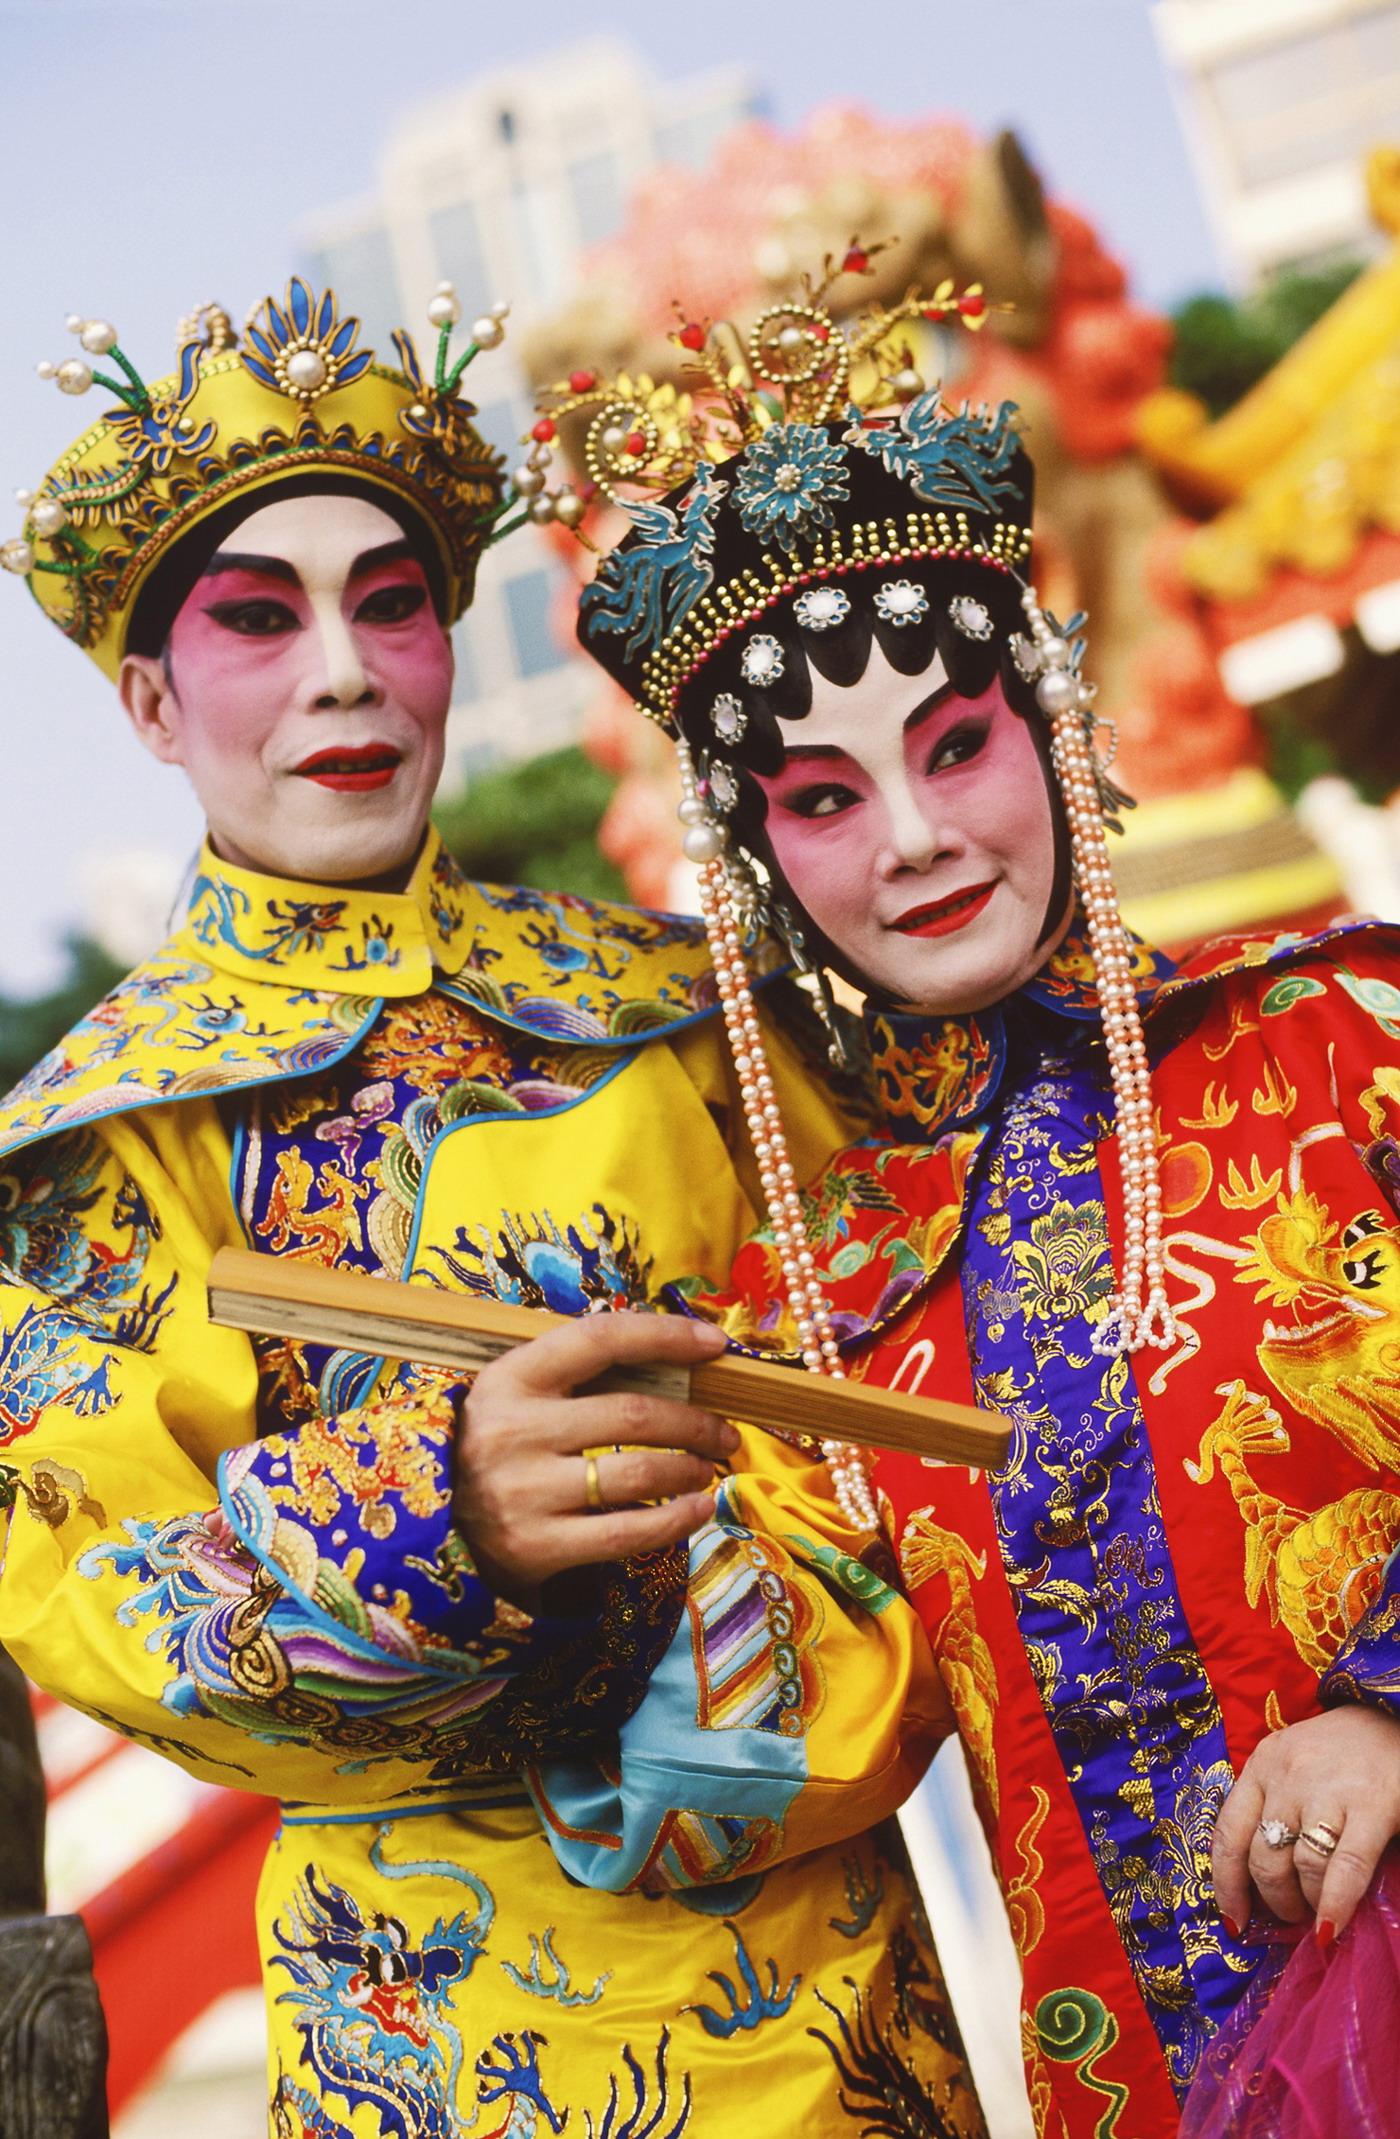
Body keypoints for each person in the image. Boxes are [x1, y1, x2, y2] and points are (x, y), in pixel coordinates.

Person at [0, 280, 980, 2137]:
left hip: (836, 1973)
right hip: (434, 2028)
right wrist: (436, 1512)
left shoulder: (693, 1005)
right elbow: (93, 1602)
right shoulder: (102, 1139)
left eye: (391, 603)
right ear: (147, 700)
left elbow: (947, 1348)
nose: (346, 671)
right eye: (256, 620)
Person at [562, 258, 1400, 2136]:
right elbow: (762, 1765)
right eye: (826, 797)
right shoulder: (823, 1288)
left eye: (954, 746)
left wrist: (1389, 1702)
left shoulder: (1352, 1030)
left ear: (1051, 723)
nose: (922, 837)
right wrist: (552, 1526)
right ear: (760, 858)